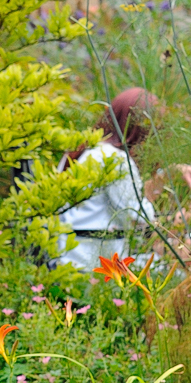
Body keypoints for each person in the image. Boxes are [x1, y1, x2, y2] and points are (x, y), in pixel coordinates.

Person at [56, 88, 156, 271]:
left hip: (65, 259)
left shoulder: (81, 150)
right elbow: (137, 216)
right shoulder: (116, 159)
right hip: (95, 265)